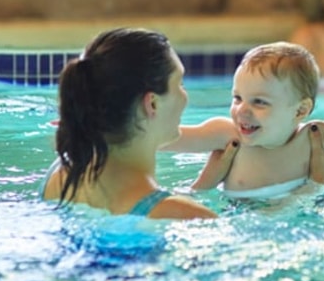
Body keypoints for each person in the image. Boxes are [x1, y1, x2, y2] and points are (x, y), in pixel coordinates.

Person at [163, 42, 324, 199]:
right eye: (237, 97)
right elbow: (164, 137)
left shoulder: (314, 138)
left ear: (300, 111)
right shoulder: (227, 135)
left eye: (259, 102)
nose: (242, 110)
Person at [40, 28, 216, 220]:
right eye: (179, 84)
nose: (185, 96)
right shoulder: (183, 215)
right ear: (153, 103)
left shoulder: (58, 177)